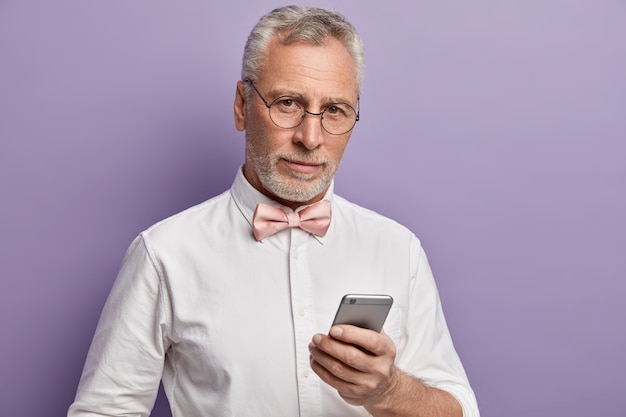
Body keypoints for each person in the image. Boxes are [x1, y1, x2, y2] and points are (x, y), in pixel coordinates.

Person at [68, 5, 479, 417]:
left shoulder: (398, 249)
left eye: (334, 110)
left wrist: (388, 391)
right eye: (287, 103)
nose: (311, 137)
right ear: (241, 105)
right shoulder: (163, 255)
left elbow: (461, 410)